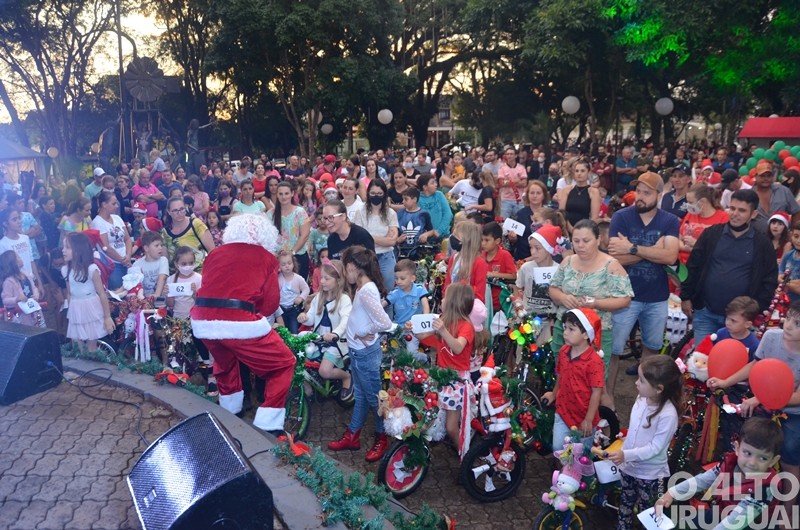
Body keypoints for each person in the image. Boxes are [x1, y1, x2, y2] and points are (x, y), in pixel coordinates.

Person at [191, 214, 295, 434]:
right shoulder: (266, 258)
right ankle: (268, 424)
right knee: (283, 364)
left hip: (203, 321)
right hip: (240, 321)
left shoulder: (215, 253)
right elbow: (270, 305)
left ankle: (230, 413)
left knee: (225, 363)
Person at [550, 219, 633, 407]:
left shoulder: (611, 265)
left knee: (594, 380)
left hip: (596, 333)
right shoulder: (567, 261)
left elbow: (625, 299)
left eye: (586, 241)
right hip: (565, 329)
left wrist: (596, 303)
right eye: (576, 241)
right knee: (562, 370)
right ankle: (563, 408)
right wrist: (563, 297)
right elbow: (553, 288)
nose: (580, 245)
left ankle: (596, 416)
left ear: (598, 239)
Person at [608, 172, 680, 387]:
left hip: (657, 298)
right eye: (638, 191)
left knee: (652, 349)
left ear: (659, 195)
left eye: (647, 193)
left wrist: (632, 248)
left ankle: (646, 398)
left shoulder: (669, 220)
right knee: (613, 350)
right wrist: (653, 251)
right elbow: (615, 258)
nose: (640, 196)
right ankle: (608, 396)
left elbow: (670, 257)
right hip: (624, 297)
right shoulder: (621, 217)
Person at [681, 189, 777, 344]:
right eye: (732, 208)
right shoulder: (711, 234)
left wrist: (755, 310)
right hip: (706, 313)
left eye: (742, 210)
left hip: (740, 321)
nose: (735, 214)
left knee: (730, 359)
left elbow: (769, 280)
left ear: (753, 214)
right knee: (701, 357)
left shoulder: (762, 244)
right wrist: (686, 296)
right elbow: (693, 266)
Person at [655, 417, 783, 530]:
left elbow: (738, 520)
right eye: (747, 453)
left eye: (763, 458)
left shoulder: (766, 487)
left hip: (749, 524)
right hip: (722, 512)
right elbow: (703, 480)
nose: (752, 463)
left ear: (773, 461)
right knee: (688, 524)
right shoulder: (730, 463)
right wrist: (672, 492)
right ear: (737, 448)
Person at [328, 246, 393, 462]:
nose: (344, 275)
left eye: (345, 270)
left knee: (375, 401)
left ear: (351, 267)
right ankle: (353, 436)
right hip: (359, 353)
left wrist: (363, 331)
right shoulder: (364, 287)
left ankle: (382, 439)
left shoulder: (365, 291)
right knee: (363, 397)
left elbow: (384, 322)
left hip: (364, 354)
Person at [606, 356, 681, 530]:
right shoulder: (641, 399)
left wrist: (626, 454)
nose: (636, 383)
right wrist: (626, 440)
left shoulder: (668, 415)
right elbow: (636, 427)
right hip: (629, 467)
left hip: (651, 474)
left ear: (659, 389)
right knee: (625, 501)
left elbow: (655, 448)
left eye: (641, 380)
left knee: (648, 511)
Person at [413, 283, 476, 452]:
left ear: (455, 302)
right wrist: (413, 330)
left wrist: (443, 330)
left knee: (451, 428)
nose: (442, 299)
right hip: (441, 375)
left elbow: (458, 347)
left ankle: (465, 455)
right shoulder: (444, 320)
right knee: (431, 415)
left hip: (456, 380)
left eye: (445, 297)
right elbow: (424, 337)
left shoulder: (466, 326)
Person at [541, 308, 605, 450]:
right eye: (565, 328)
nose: (565, 332)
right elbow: (560, 375)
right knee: (558, 448)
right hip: (563, 411)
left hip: (583, 416)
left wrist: (588, 419)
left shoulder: (594, 361)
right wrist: (554, 394)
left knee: (581, 455)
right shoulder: (564, 351)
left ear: (585, 334)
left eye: (571, 329)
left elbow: (596, 392)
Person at [297, 259, 353, 398]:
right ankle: (308, 391)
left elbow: (346, 321)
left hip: (336, 342)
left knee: (325, 371)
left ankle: (346, 377)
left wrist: (335, 334)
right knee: (299, 361)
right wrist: (304, 317)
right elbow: (312, 317)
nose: (322, 281)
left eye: (326, 278)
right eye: (321, 277)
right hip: (319, 339)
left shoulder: (344, 299)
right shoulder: (319, 298)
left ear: (338, 280)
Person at [62, 232, 114, 355]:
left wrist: (107, 317)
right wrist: (70, 312)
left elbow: (102, 294)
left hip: (91, 308)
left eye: (67, 247)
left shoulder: (91, 269)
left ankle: (93, 360)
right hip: (75, 308)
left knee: (91, 345)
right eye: (63, 247)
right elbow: (69, 293)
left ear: (78, 250)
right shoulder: (65, 270)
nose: (63, 250)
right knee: (77, 344)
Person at [515, 225, 562, 343]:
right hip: (527, 320)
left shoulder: (558, 270)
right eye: (531, 248)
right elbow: (518, 288)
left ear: (549, 249)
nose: (533, 252)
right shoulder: (526, 268)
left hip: (549, 322)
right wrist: (518, 303)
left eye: (537, 248)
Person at [353, 179, 399, 291]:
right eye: (373, 193)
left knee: (388, 290)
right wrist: (383, 239)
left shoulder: (391, 213)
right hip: (366, 257)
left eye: (379, 193)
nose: (376, 196)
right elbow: (358, 237)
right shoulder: (360, 211)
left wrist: (368, 236)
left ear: (384, 194)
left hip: (386, 256)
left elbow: (392, 241)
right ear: (368, 193)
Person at [677, 183, 729, 264]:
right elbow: (678, 238)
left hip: (705, 264)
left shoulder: (723, 218)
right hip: (682, 263)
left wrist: (697, 244)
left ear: (702, 202)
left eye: (691, 202)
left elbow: (722, 247)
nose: (688, 205)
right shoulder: (691, 214)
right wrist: (690, 248)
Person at [391, 259, 431, 362]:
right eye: (396, 278)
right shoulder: (395, 293)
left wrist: (424, 321)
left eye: (402, 278)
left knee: (412, 354)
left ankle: (425, 358)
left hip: (414, 328)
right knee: (394, 353)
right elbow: (382, 305)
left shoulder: (420, 289)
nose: (398, 281)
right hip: (398, 328)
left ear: (413, 278)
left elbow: (425, 305)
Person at [269, 181, 311, 280]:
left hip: (298, 257)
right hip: (278, 259)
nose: (283, 197)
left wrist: (292, 252)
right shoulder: (270, 214)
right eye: (280, 194)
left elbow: (305, 235)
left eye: (286, 193)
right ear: (277, 195)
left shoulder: (300, 212)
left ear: (292, 193)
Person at [91, 191, 132, 290]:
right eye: (113, 204)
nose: (117, 206)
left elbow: (127, 239)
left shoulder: (117, 218)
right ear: (104, 204)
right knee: (117, 289)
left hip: (126, 260)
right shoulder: (97, 223)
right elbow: (105, 247)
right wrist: (122, 260)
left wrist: (128, 256)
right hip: (112, 264)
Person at [163, 196, 215, 270]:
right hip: (175, 274)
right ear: (169, 212)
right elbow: (165, 260)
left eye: (182, 209)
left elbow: (211, 250)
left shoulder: (196, 224)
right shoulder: (165, 232)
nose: (179, 213)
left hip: (199, 271)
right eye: (175, 210)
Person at [444, 221, 488, 305]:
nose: (452, 238)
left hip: (469, 306)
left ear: (467, 240)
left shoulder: (479, 263)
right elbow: (447, 284)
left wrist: (462, 287)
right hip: (451, 305)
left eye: (456, 236)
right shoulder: (454, 258)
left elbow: (479, 294)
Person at [752, 160, 800, 230]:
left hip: (781, 235)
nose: (766, 179)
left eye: (769, 176)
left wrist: (792, 230)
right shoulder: (749, 194)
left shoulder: (784, 191)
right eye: (762, 176)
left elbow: (796, 211)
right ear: (756, 177)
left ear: (772, 177)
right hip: (755, 235)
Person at [1, 250, 43, 327]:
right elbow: (5, 300)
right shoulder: (9, 281)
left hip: (33, 310)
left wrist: (36, 295)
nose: (20, 258)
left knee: (39, 327)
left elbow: (34, 287)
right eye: (17, 257)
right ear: (13, 263)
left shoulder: (26, 274)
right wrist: (16, 299)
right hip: (21, 316)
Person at [481, 221, 516, 313]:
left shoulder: (505, 255)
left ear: (497, 241)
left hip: (499, 304)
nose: (483, 243)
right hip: (482, 302)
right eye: (482, 240)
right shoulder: (481, 255)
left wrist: (493, 274)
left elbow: (513, 276)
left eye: (487, 240)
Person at [557, 159, 601, 231]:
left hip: (585, 229)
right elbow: (561, 213)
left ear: (588, 173)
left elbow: (594, 218)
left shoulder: (593, 192)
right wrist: (570, 228)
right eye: (577, 171)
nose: (579, 173)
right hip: (566, 228)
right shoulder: (567, 190)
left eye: (582, 171)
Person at [0, 208, 39, 285]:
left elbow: (31, 261)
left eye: (19, 218)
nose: (19, 221)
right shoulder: (2, 244)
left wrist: (39, 281)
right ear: (5, 224)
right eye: (14, 219)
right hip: (17, 283)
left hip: (31, 279)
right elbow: (5, 269)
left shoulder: (25, 238)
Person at [276, 250, 309, 334]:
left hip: (293, 309)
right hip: (281, 309)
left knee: (294, 330)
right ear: (279, 266)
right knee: (282, 331)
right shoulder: (278, 278)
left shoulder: (298, 278)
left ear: (293, 264)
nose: (287, 266)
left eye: (289, 263)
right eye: (283, 264)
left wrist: (301, 298)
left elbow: (306, 289)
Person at [396, 187, 435, 253]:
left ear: (414, 199)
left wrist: (425, 235)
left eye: (406, 199)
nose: (403, 201)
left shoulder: (424, 214)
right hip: (402, 250)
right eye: (403, 199)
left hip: (419, 250)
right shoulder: (399, 213)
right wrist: (398, 240)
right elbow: (395, 231)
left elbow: (431, 231)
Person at [132, 231, 168, 298]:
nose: (160, 248)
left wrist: (156, 295)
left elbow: (162, 278)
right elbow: (134, 283)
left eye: (161, 245)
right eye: (156, 245)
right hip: (143, 299)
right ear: (146, 248)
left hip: (160, 299)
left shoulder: (163, 260)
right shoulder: (137, 264)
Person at [417, 174, 453, 239]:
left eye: (435, 182)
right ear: (425, 187)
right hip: (424, 237)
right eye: (432, 183)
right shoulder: (418, 199)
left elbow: (448, 214)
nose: (436, 184)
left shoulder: (439, 195)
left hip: (443, 236)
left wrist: (439, 231)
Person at [781, 221, 800, 302]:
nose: (798, 241)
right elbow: (779, 276)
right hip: (784, 301)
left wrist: (784, 281)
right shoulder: (788, 255)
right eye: (796, 236)